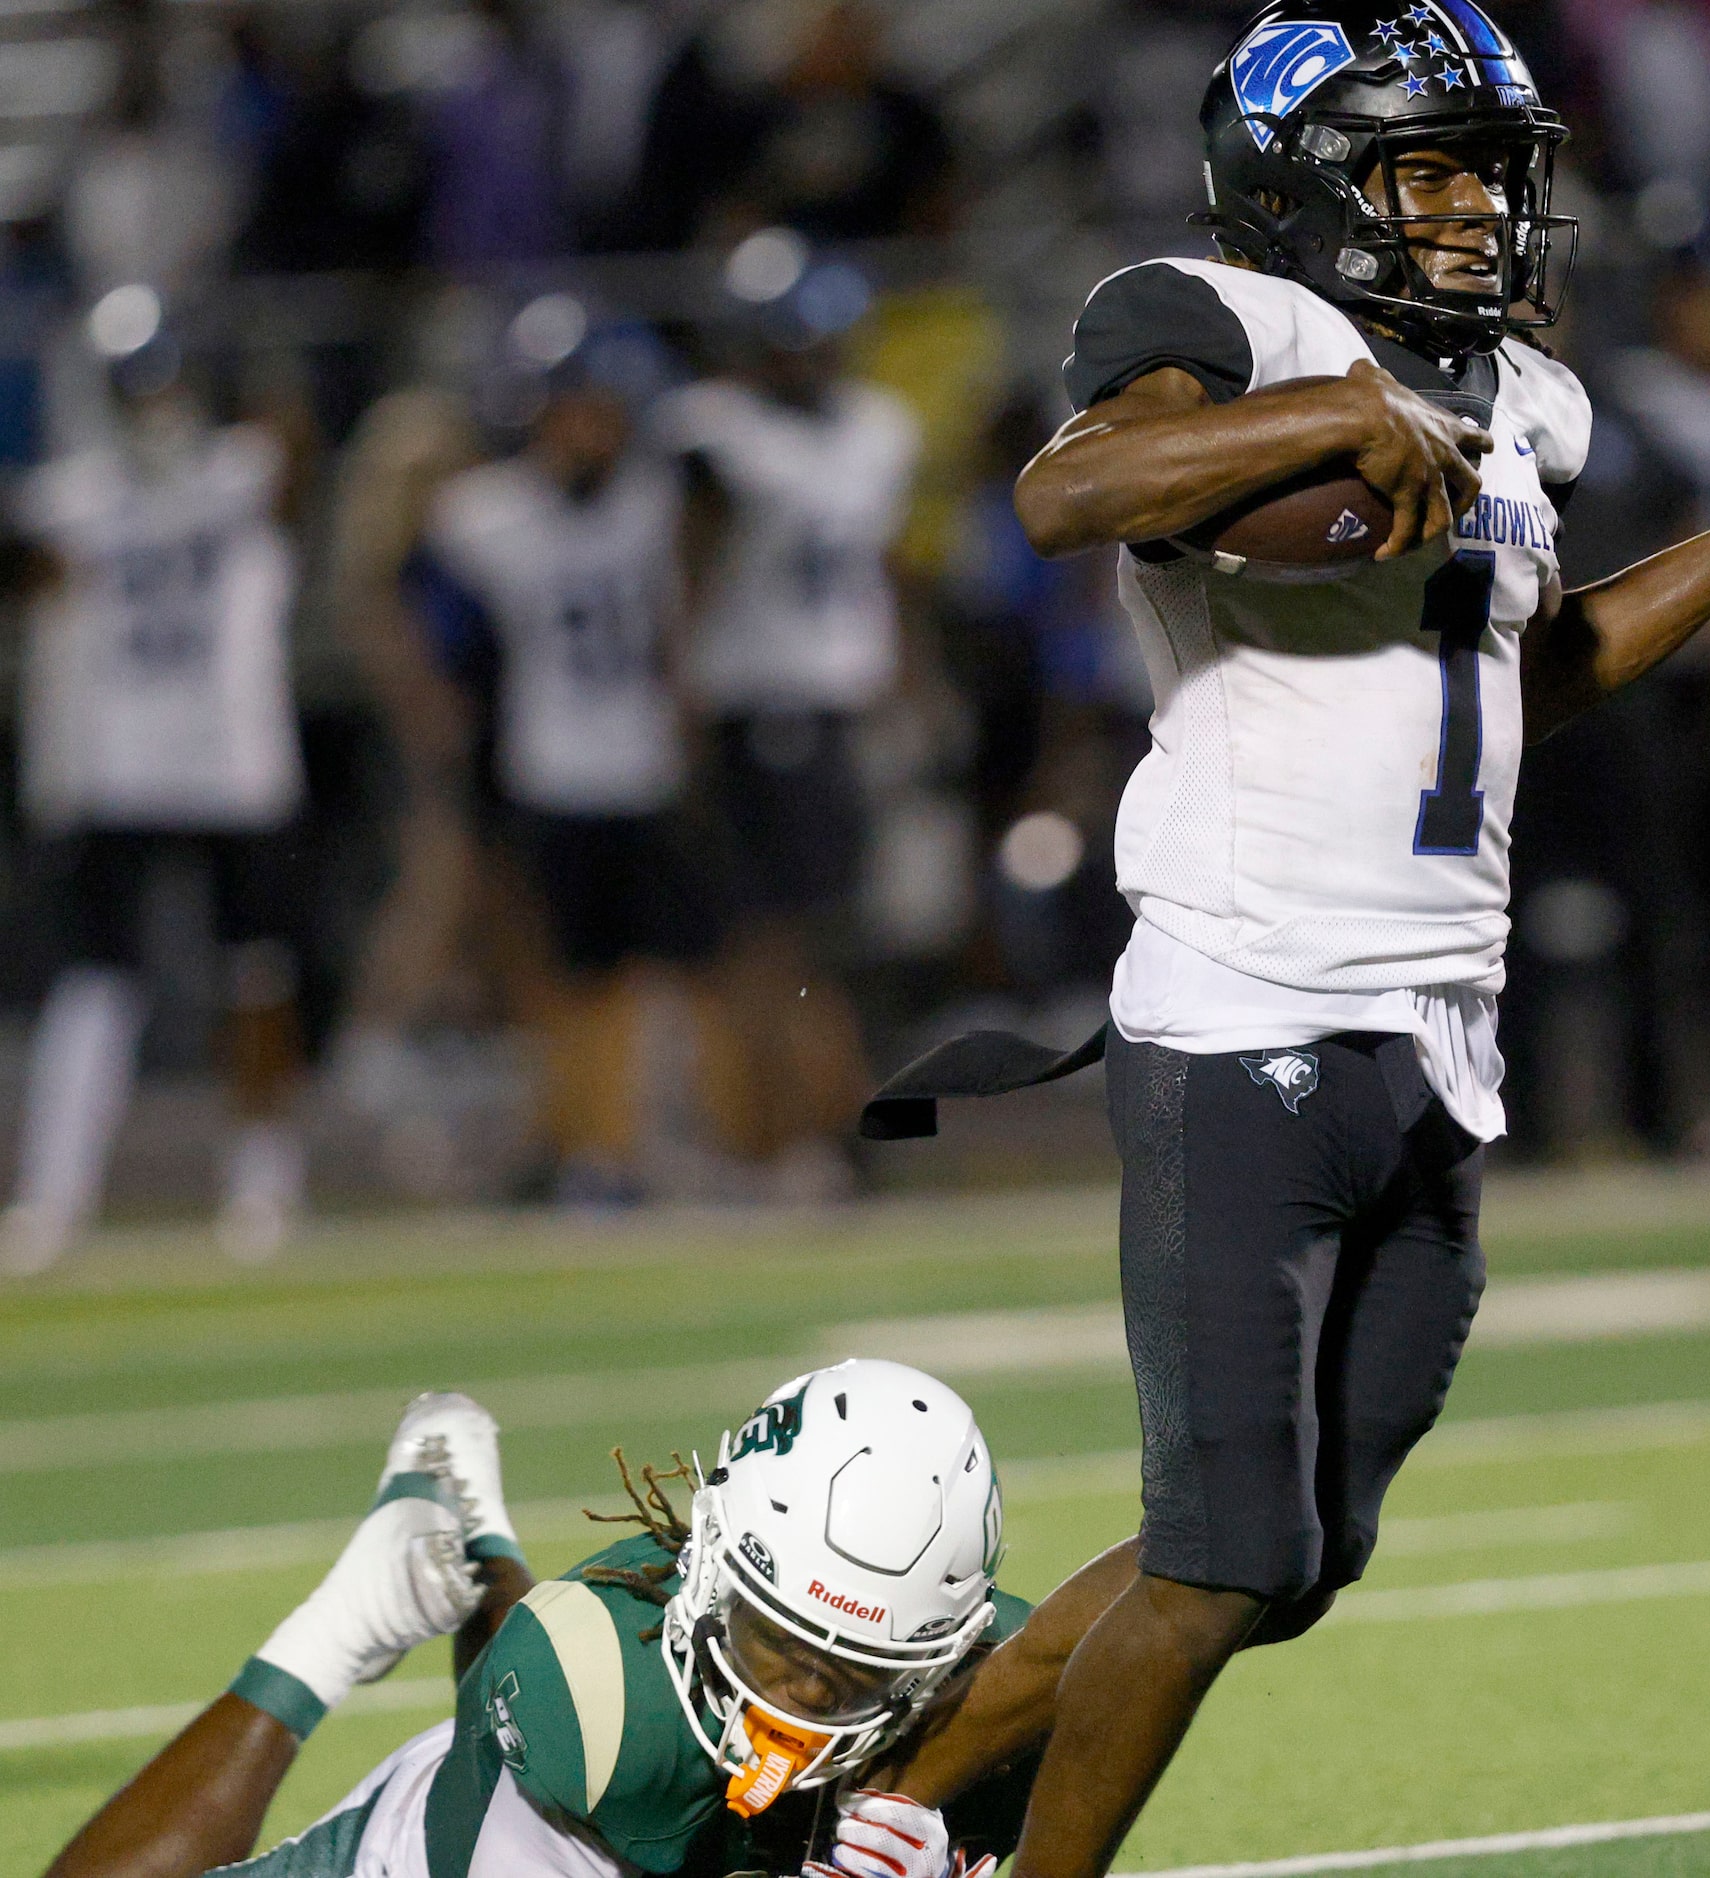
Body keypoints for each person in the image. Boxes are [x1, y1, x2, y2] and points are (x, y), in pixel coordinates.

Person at [878, 7, 1710, 1877]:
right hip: (1246, 1003)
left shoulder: (1528, 395)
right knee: (1219, 1552)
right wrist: (1328, 410)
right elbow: (1062, 493)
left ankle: (878, 1809)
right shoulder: (1220, 319)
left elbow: (1528, 675)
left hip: (1433, 1033)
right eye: (1431, 166)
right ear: (1302, 175)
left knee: (1294, 1551)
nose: (1477, 210)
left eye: (1492, 170)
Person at [34, 1361, 1134, 1878]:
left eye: (847, 1671)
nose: (793, 1699)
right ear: (712, 1569)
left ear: (939, 1653)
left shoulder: (974, 1677)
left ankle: (468, 1550)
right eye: (775, 1644)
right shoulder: (597, 1711)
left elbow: (1141, 1611)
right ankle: (349, 1623)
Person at [1, 286, 310, 1271]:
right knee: (95, 982)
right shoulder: (65, 507)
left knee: (254, 973)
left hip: (231, 760)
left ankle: (265, 1180)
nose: (156, 405)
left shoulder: (241, 476)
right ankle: (56, 1189)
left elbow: (291, 447)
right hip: (117, 765)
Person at [408, 298, 714, 1208]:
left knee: (633, 978)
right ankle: (578, 1144)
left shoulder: (658, 498)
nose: (592, 428)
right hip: (546, 770)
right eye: (574, 408)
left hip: (640, 765)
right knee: (557, 979)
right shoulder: (484, 515)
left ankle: (604, 1146)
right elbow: (405, 597)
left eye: (603, 409)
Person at [662, 241, 920, 1199]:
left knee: (826, 934)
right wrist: (677, 706)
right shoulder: (717, 431)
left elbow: (890, 571)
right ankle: (788, 1134)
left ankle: (814, 1129)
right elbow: (688, 573)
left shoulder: (872, 428)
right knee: (772, 937)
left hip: (836, 706)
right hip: (757, 707)